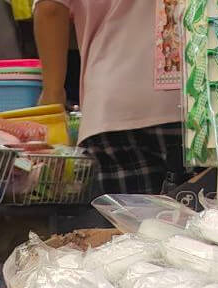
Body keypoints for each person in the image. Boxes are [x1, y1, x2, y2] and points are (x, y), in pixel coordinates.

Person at [33, 0, 186, 194]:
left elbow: (51, 8)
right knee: (209, 218)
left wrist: (52, 94)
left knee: (129, 220)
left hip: (112, 106)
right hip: (191, 103)